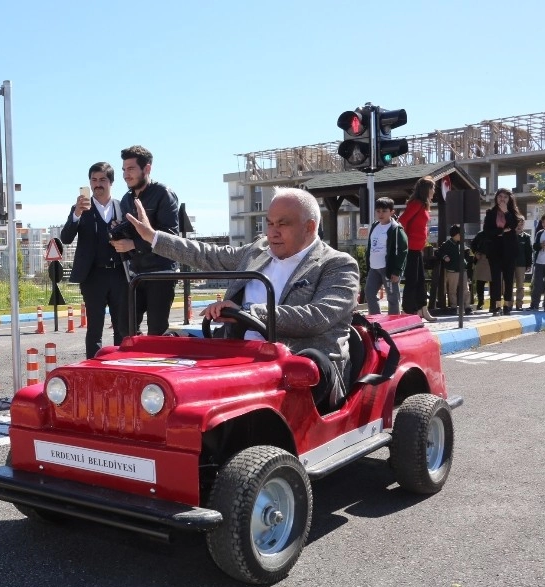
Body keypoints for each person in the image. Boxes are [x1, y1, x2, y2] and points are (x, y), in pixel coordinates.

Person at [125, 186, 359, 409]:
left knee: (303, 365)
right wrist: (153, 237)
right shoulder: (258, 250)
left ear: (309, 227)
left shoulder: (338, 264)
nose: (272, 232)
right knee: (170, 348)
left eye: (282, 224)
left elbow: (317, 317)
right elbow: (208, 255)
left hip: (300, 366)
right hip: (240, 357)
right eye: (269, 223)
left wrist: (246, 311)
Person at [60, 162, 129, 359]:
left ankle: (121, 366)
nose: (98, 184)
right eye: (94, 180)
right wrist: (76, 215)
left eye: (102, 180)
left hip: (119, 275)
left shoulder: (122, 206)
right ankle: (94, 368)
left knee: (122, 327)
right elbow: (65, 238)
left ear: (111, 182)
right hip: (93, 277)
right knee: (94, 329)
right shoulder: (80, 208)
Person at [109, 145, 179, 335]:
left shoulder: (164, 194)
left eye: (131, 169)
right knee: (125, 327)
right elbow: (131, 232)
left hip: (161, 272)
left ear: (147, 169)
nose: (125, 175)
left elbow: (171, 236)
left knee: (156, 330)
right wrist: (118, 233)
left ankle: (156, 362)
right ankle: (136, 361)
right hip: (136, 273)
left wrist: (133, 244)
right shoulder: (126, 200)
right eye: (124, 170)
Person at [399, 176, 436, 322]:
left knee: (420, 280)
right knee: (412, 280)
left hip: (418, 248)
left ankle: (423, 310)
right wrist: (406, 240)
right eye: (432, 188)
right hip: (411, 248)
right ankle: (409, 310)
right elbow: (402, 221)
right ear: (426, 189)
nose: (434, 191)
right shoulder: (416, 203)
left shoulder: (424, 204)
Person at [481, 187, 523, 315]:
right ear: (496, 198)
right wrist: (501, 231)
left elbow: (514, 226)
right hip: (495, 250)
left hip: (509, 251)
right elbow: (487, 232)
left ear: (509, 199)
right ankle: (496, 305)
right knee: (495, 279)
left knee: (509, 278)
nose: (502, 199)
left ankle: (507, 305)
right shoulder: (490, 213)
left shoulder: (513, 213)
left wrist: (506, 212)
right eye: (500, 197)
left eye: (505, 197)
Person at [364, 197, 408, 315]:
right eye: (378, 211)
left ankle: (393, 323)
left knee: (392, 297)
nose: (381, 214)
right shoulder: (374, 226)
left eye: (384, 211)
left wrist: (397, 271)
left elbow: (403, 250)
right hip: (374, 268)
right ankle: (376, 322)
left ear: (392, 212)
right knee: (369, 293)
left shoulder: (396, 229)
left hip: (388, 268)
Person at [434, 225, 469, 310]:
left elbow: (466, 250)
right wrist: (445, 256)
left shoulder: (461, 244)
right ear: (455, 234)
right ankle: (453, 306)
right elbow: (438, 252)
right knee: (452, 290)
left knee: (466, 290)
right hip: (453, 270)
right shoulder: (447, 244)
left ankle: (467, 307)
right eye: (461, 234)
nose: (462, 236)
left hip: (462, 269)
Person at [514, 219, 533, 310]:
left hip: (521, 264)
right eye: (518, 224)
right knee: (508, 285)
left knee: (520, 286)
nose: (519, 226)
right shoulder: (509, 235)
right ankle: (508, 304)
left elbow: (529, 251)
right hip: (510, 264)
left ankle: (519, 304)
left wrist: (529, 264)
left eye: (521, 224)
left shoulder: (526, 237)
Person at [470, 230, 491, 310]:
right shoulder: (481, 234)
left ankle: (493, 303)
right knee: (480, 282)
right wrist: (476, 253)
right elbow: (473, 244)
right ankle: (480, 302)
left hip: (493, 259)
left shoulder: (497, 232)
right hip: (482, 258)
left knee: (493, 283)